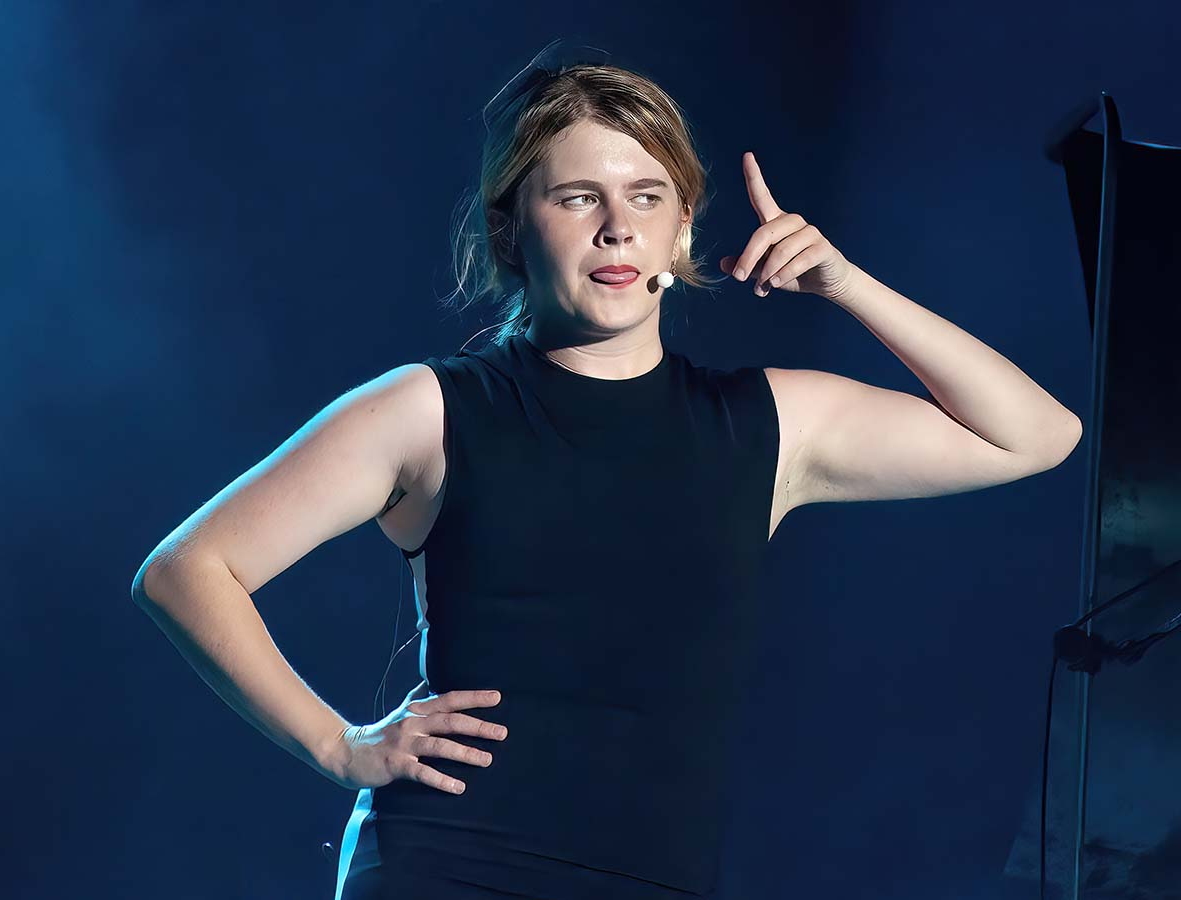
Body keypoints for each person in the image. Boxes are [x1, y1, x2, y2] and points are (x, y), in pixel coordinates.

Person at [131, 41, 1083, 900]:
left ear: (681, 229)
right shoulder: (431, 409)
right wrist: (338, 745)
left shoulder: (769, 423)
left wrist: (847, 283)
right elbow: (186, 569)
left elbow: (1035, 436)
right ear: (513, 228)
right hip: (445, 865)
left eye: (647, 196)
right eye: (578, 197)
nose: (617, 228)